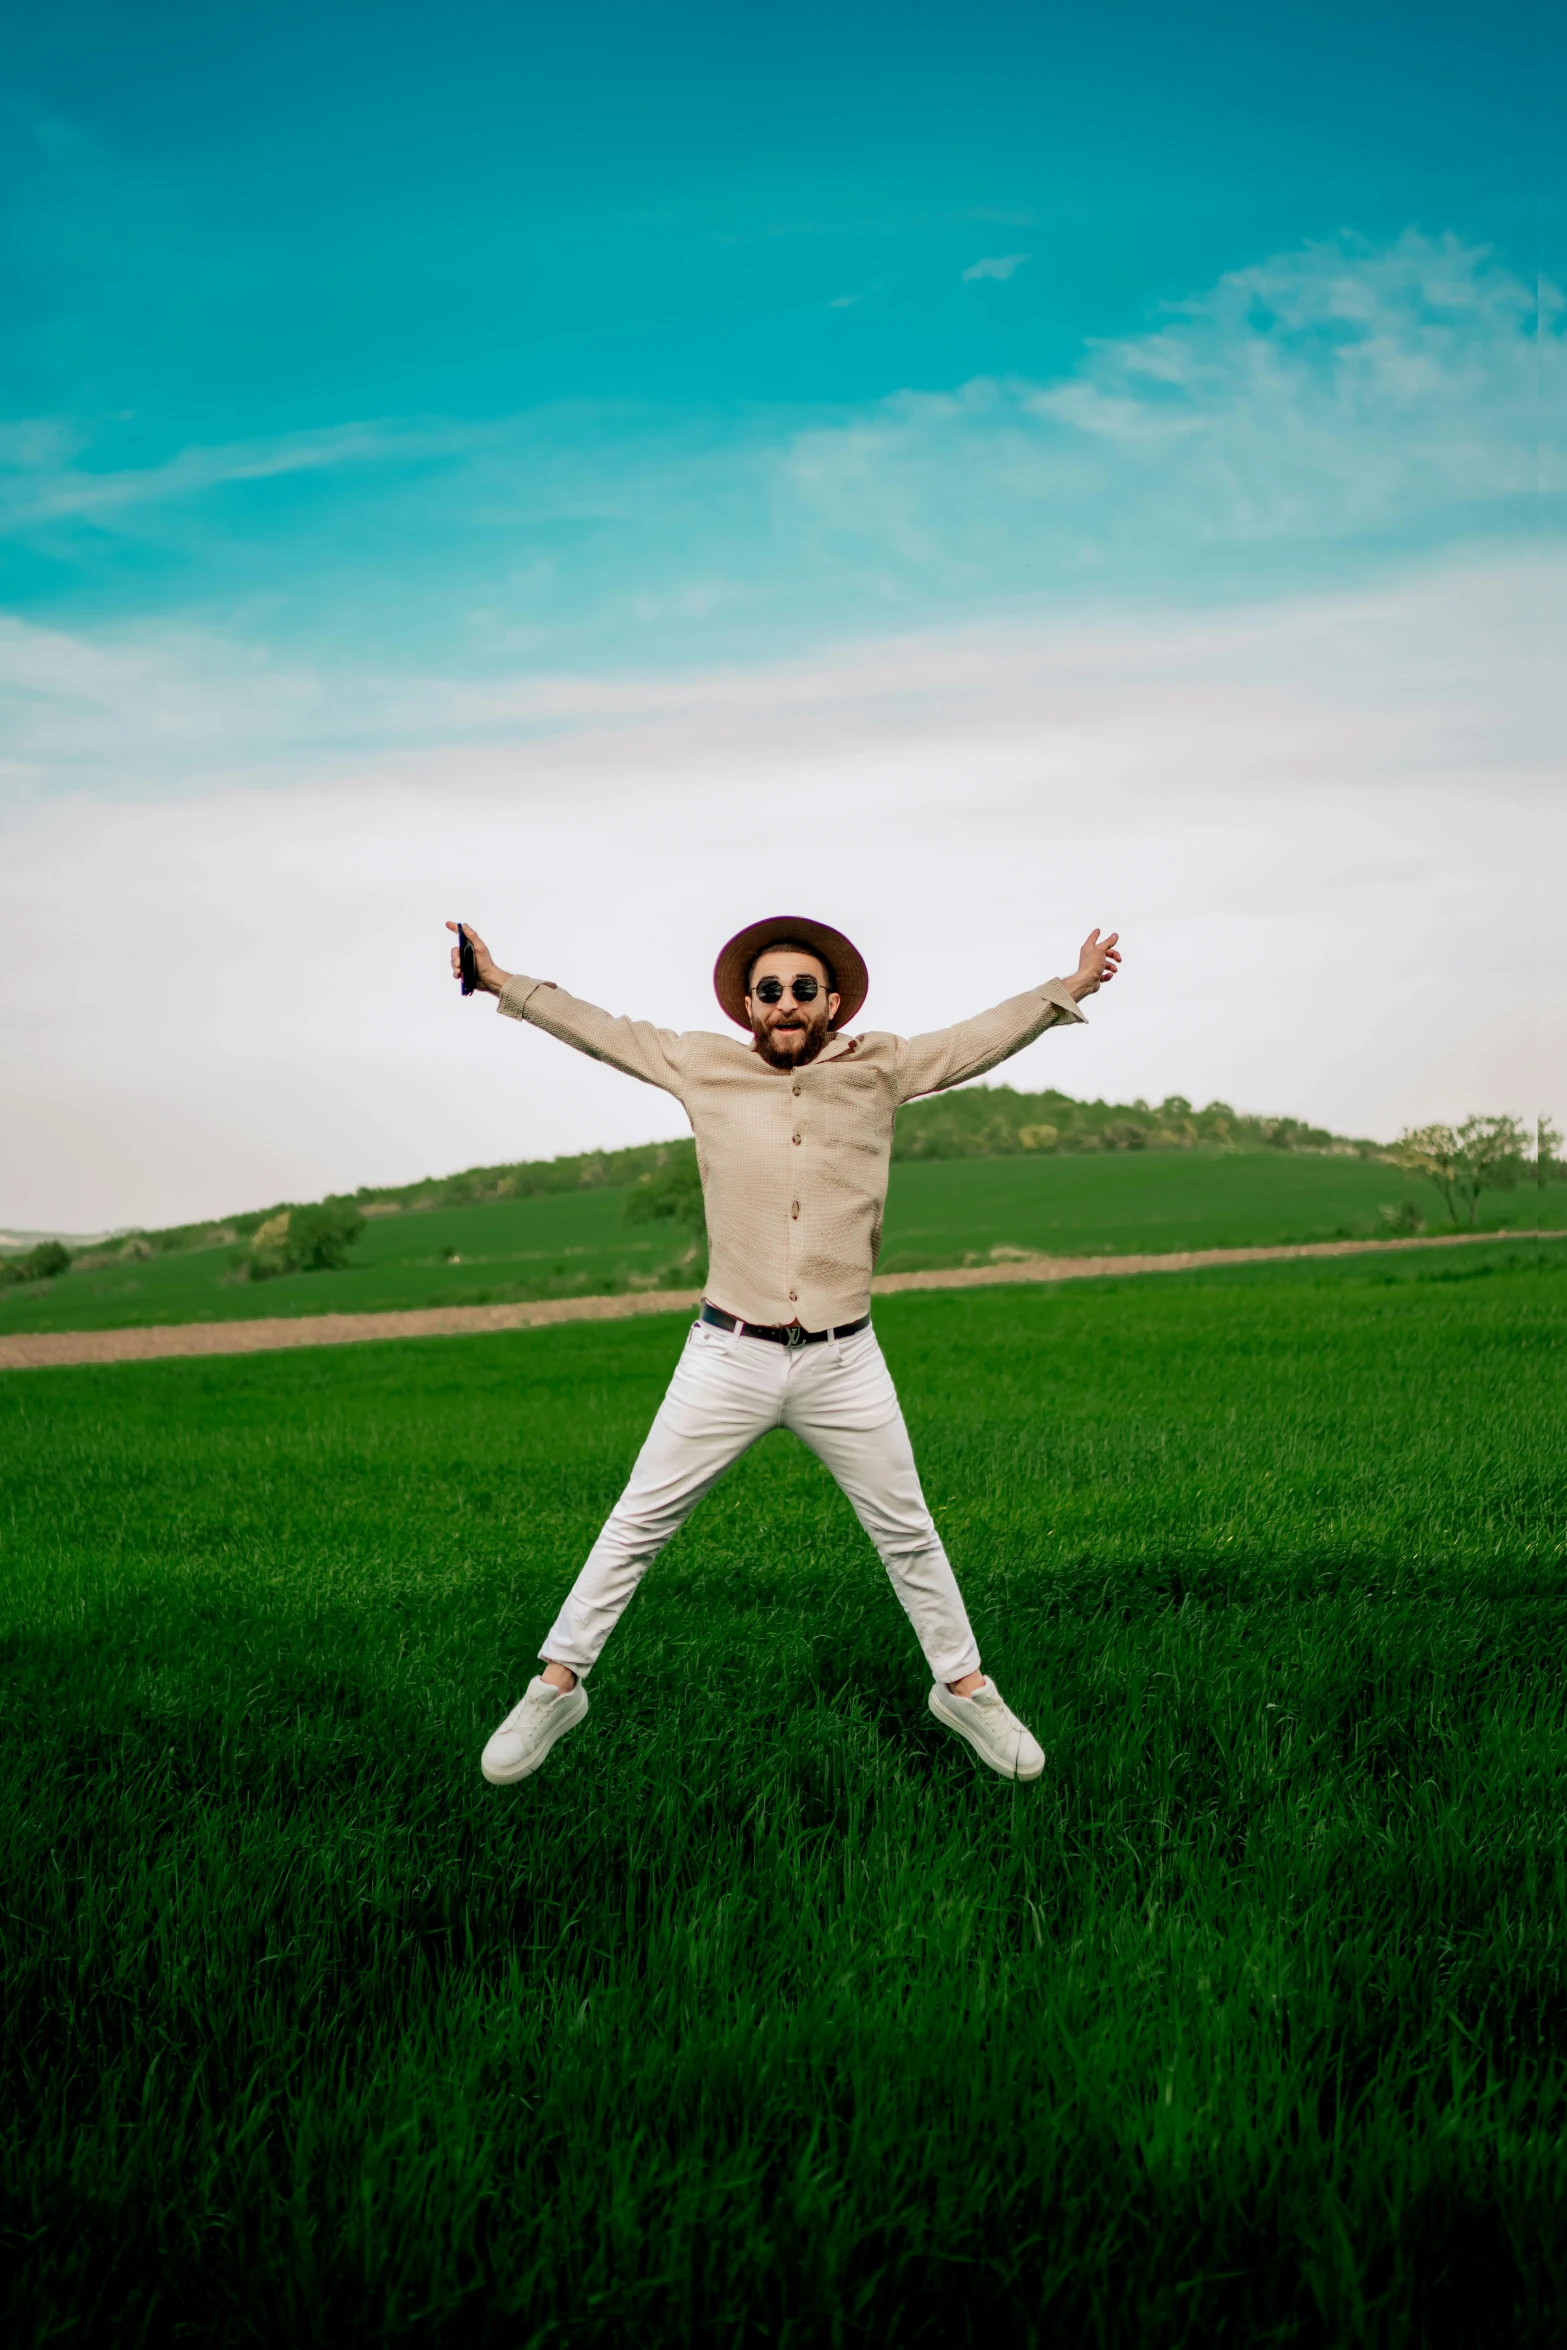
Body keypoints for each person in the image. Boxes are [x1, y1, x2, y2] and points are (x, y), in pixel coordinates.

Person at [446, 912, 1120, 1786]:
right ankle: (556, 1686)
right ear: (747, 1008)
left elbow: (970, 1042)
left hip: (845, 1360)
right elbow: (602, 1031)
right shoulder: (701, 1065)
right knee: (636, 1523)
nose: (787, 1003)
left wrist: (1062, 990)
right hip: (727, 1353)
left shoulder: (879, 1068)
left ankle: (964, 1690)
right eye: (769, 991)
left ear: (831, 1001)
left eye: (804, 989)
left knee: (907, 1534)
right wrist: (501, 982)